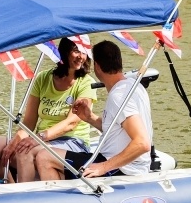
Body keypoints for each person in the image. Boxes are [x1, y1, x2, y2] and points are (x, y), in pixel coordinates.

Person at [33, 40, 152, 180]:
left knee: (44, 157)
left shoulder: (118, 95)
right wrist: (90, 118)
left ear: (97, 66)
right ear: (120, 62)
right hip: (118, 162)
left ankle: (55, 201)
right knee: (53, 160)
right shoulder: (133, 85)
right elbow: (117, 129)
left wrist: (104, 167)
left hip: (122, 168)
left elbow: (142, 143)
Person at [0, 37, 97, 182]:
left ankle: (26, 197)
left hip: (73, 141)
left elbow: (71, 123)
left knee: (24, 151)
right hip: (42, 139)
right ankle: (11, 185)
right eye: (76, 51)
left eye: (84, 52)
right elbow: (29, 122)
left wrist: (38, 138)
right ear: (65, 51)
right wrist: (14, 141)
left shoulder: (87, 82)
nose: (81, 57)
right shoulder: (43, 78)